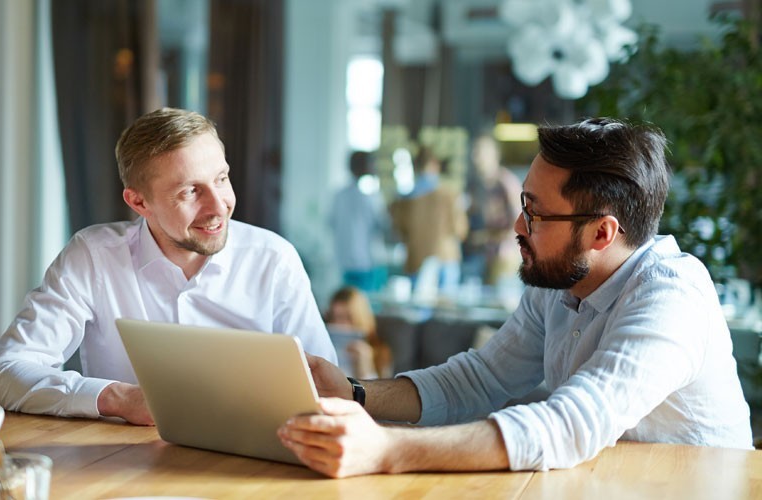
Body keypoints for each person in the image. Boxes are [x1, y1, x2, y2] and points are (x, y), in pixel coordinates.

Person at [278, 117, 753, 478]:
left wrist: (385, 451)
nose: (517, 226)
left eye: (536, 213)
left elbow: (569, 425)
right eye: (523, 203)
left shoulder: (672, 297)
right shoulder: (560, 282)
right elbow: (479, 380)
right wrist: (357, 394)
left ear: (602, 233)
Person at [0, 107, 337, 425]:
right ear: (139, 202)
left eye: (221, 178)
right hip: (124, 466)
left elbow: (327, 391)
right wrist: (119, 399)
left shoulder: (274, 259)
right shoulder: (94, 255)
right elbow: (2, 375)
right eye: (190, 192)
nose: (219, 206)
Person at [390, 146, 468, 294]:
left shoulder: (404, 200)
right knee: (446, 310)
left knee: (419, 309)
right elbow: (460, 230)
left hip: (416, 260)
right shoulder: (449, 196)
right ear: (435, 164)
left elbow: (399, 232)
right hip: (446, 259)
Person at [464, 133, 523, 285]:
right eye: (475, 152)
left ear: (494, 155)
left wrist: (485, 236)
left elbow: (519, 224)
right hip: (487, 256)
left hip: (506, 257)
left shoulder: (505, 183)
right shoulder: (479, 186)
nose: (476, 158)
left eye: (481, 153)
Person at [328, 151, 390, 293]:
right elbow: (384, 225)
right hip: (368, 263)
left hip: (345, 262)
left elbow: (331, 224)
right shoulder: (372, 196)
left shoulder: (339, 196)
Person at [324, 286, 393, 380]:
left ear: (360, 319)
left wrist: (366, 370)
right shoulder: (321, 346)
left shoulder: (381, 354)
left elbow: (384, 393)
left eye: (348, 317)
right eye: (333, 317)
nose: (339, 324)